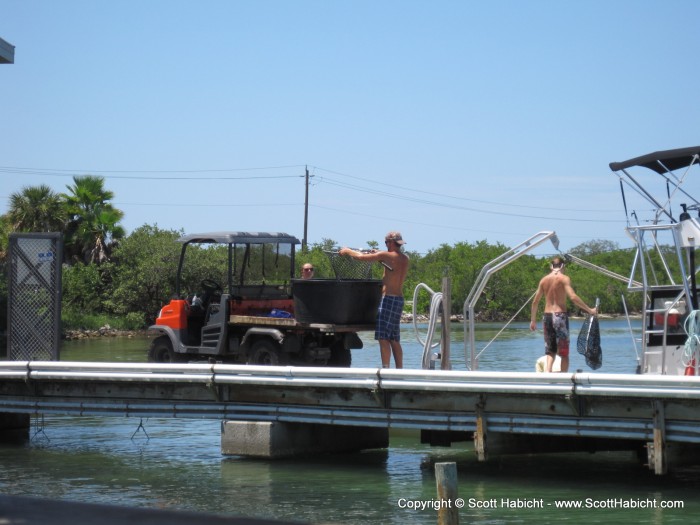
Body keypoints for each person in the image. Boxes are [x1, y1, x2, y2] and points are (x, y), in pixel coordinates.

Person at [339, 231, 410, 368]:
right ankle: (400, 369)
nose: (386, 246)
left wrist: (347, 251)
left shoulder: (386, 256)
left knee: (383, 338)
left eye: (386, 243)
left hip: (388, 299)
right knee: (394, 338)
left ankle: (386, 369)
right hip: (399, 300)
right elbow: (390, 262)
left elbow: (361, 258)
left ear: (390, 243)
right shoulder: (405, 258)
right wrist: (378, 254)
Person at [530, 256, 596, 373]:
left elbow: (535, 302)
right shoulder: (564, 278)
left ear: (551, 266)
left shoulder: (543, 280)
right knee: (564, 353)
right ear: (562, 266)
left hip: (547, 317)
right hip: (560, 316)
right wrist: (590, 310)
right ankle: (563, 378)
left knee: (550, 351)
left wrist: (533, 320)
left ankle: (548, 375)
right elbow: (573, 297)